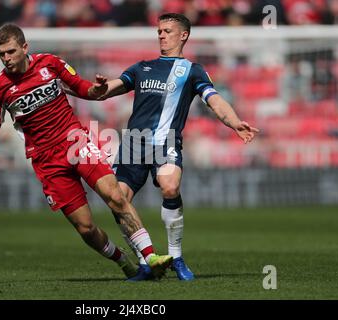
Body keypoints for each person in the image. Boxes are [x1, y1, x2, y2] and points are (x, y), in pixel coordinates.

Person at [0, 23, 173, 280]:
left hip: (75, 142)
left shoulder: (50, 64)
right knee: (86, 228)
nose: (6, 58)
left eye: (10, 51)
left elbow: (80, 87)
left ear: (24, 47)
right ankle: (123, 261)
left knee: (115, 195)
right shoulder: (0, 88)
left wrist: (96, 90)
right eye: (1, 54)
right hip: (46, 161)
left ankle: (151, 256)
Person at [97, 13, 260, 281]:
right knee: (118, 201)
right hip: (134, 142)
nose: (161, 35)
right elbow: (111, 88)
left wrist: (234, 123)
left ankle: (176, 256)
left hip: (166, 140)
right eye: (159, 30)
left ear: (183, 35)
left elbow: (215, 101)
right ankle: (146, 262)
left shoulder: (192, 70)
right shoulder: (142, 67)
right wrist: (91, 88)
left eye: (167, 30)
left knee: (170, 186)